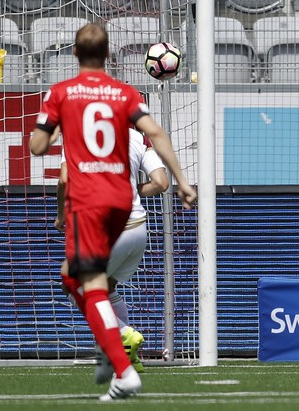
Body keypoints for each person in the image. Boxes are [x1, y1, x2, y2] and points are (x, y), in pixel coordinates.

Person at [29, 23, 197, 401]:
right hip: (123, 204)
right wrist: (183, 182)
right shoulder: (124, 93)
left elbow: (38, 146)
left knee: (85, 284)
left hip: (89, 203)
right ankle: (112, 350)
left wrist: (52, 132)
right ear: (109, 56)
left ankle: (121, 367)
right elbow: (156, 134)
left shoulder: (63, 93)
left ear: (74, 53)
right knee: (77, 279)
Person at [55, 126, 170, 379]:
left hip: (107, 230)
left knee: (74, 286)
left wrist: (61, 213)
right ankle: (130, 359)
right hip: (138, 229)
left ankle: (122, 335)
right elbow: (162, 183)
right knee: (107, 287)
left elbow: (65, 179)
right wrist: (133, 192)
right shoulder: (138, 137)